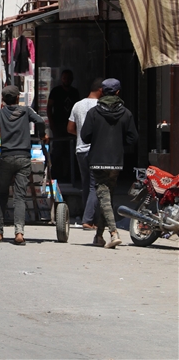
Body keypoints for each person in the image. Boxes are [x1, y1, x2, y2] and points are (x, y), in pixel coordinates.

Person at [80, 78, 138, 249]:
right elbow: (133, 138)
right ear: (118, 92)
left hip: (97, 160)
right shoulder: (126, 113)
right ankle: (98, 237)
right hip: (116, 161)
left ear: (103, 92)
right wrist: (119, 145)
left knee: (103, 195)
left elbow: (85, 136)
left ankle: (113, 232)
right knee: (107, 196)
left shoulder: (93, 113)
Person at [0, 85, 47, 246]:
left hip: (6, 157)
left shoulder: (0, 113)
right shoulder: (26, 111)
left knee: (3, 194)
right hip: (23, 157)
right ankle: (19, 232)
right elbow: (40, 121)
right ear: (17, 98)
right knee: (19, 196)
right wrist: (42, 135)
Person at [67, 78, 103, 230]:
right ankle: (88, 220)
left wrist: (81, 135)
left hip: (80, 150)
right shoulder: (100, 106)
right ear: (101, 90)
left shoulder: (78, 105)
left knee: (86, 184)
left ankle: (87, 216)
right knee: (95, 185)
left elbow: (69, 128)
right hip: (95, 150)